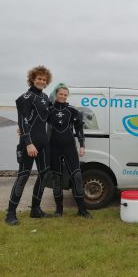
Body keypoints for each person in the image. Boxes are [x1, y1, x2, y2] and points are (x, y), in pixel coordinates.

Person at [5, 65, 53, 226]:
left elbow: (51, 117)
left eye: (44, 80)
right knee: (23, 176)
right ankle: (10, 213)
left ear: (47, 82)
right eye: (39, 78)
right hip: (29, 144)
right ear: (33, 79)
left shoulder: (45, 97)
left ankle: (35, 209)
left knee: (45, 174)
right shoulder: (25, 97)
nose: (41, 81)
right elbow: (23, 121)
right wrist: (28, 143)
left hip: (43, 143)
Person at [48, 83, 91, 219]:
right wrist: (22, 129)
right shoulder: (49, 110)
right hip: (53, 148)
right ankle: (59, 210)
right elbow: (36, 122)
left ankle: (82, 209)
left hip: (69, 148)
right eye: (60, 94)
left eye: (65, 95)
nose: (63, 96)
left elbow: (79, 129)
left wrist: (82, 145)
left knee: (77, 177)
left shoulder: (72, 111)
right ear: (56, 94)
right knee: (57, 179)